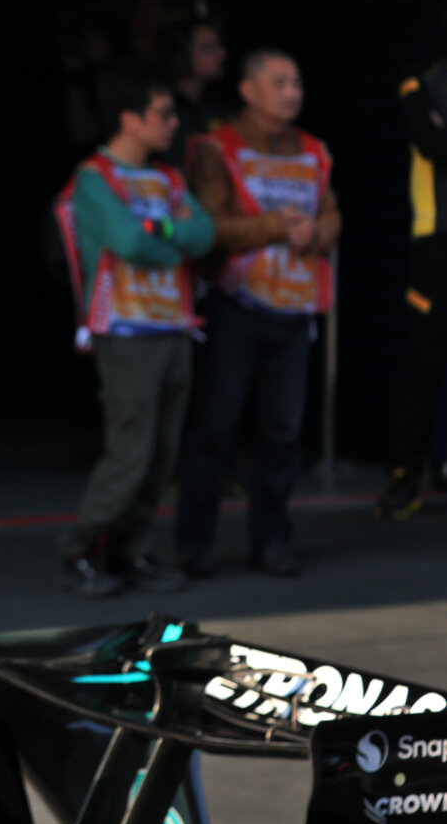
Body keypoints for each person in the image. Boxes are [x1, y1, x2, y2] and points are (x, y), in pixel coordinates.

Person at [176, 49, 340, 578]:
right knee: (215, 430)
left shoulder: (313, 149)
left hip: (294, 311)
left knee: (283, 435)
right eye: (280, 83)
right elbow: (207, 227)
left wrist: (318, 231)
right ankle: (194, 545)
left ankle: (272, 541)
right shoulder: (217, 148)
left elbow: (332, 214)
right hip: (236, 307)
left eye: (297, 82)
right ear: (248, 91)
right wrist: (274, 227)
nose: (293, 93)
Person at [54, 68, 214, 597]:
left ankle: (131, 549)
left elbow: (204, 233)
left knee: (162, 455)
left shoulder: (168, 178)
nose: (174, 123)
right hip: (124, 331)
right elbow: (130, 244)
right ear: (130, 118)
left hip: (174, 327)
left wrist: (163, 229)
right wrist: (173, 238)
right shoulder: (95, 178)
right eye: (163, 114)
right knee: (131, 452)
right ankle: (81, 549)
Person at [377, 60, 447, 518]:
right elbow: (433, 142)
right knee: (423, 361)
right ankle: (404, 474)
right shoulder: (420, 84)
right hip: (436, 242)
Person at [162, 16, 230, 165]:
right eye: (208, 48)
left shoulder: (219, 105)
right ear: (182, 55)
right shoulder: (162, 106)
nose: (222, 54)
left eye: (219, 46)